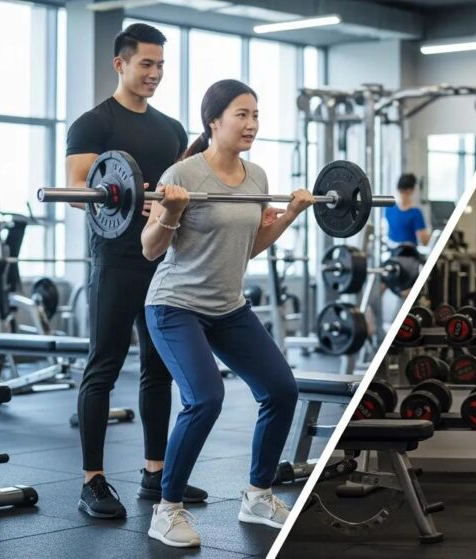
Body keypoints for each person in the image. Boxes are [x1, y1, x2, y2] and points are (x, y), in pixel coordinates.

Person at [141, 79, 307, 547]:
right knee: (205, 399)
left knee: (281, 390)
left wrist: (290, 214)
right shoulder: (183, 174)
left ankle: (258, 495)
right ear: (213, 121)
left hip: (229, 307)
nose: (252, 124)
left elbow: (248, 249)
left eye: (255, 115)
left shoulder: (257, 178)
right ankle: (167, 508)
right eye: (242, 114)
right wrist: (170, 212)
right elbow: (150, 249)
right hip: (175, 305)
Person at [65, 22, 207, 519]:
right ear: (120, 63)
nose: (155, 74)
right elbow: (83, 191)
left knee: (158, 368)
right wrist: (133, 204)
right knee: (102, 366)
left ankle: (155, 472)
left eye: (161, 65)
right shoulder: (92, 124)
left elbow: (181, 190)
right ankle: (93, 481)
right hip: (116, 261)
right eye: (146, 63)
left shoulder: (170, 129)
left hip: (164, 261)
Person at [384, 173, 430, 246]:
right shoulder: (415, 213)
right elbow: (424, 240)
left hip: (391, 251)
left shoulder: (388, 209)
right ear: (411, 190)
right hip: (409, 253)